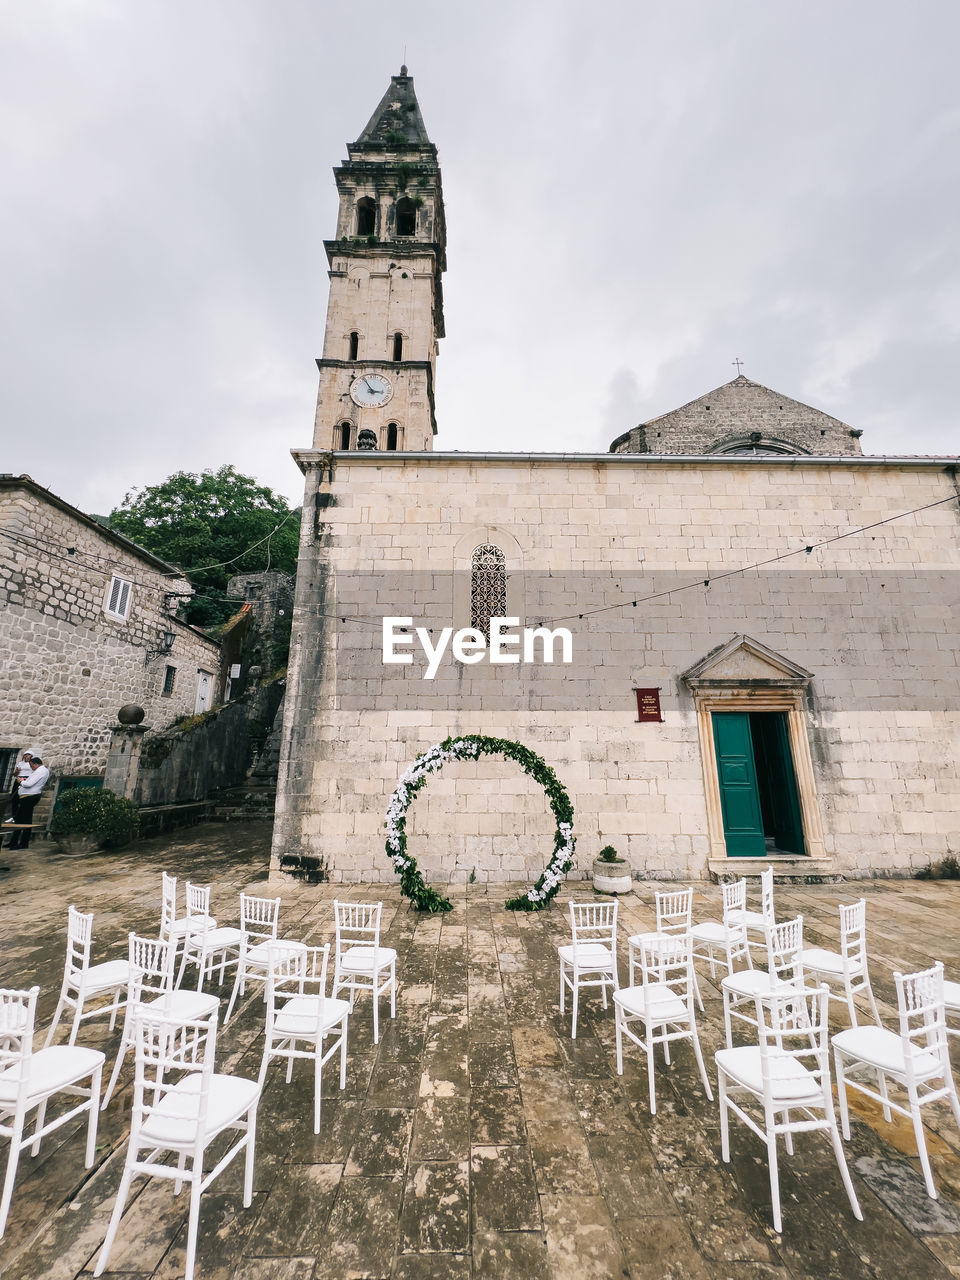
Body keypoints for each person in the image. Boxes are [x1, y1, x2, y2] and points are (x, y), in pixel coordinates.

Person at [7, 757, 50, 849]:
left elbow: (29, 784)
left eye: (31, 766)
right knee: (19, 820)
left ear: (35, 764)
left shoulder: (39, 771)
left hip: (29, 797)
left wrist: (21, 781)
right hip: (29, 797)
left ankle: (23, 843)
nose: (31, 768)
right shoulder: (43, 770)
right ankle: (14, 842)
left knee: (25, 821)